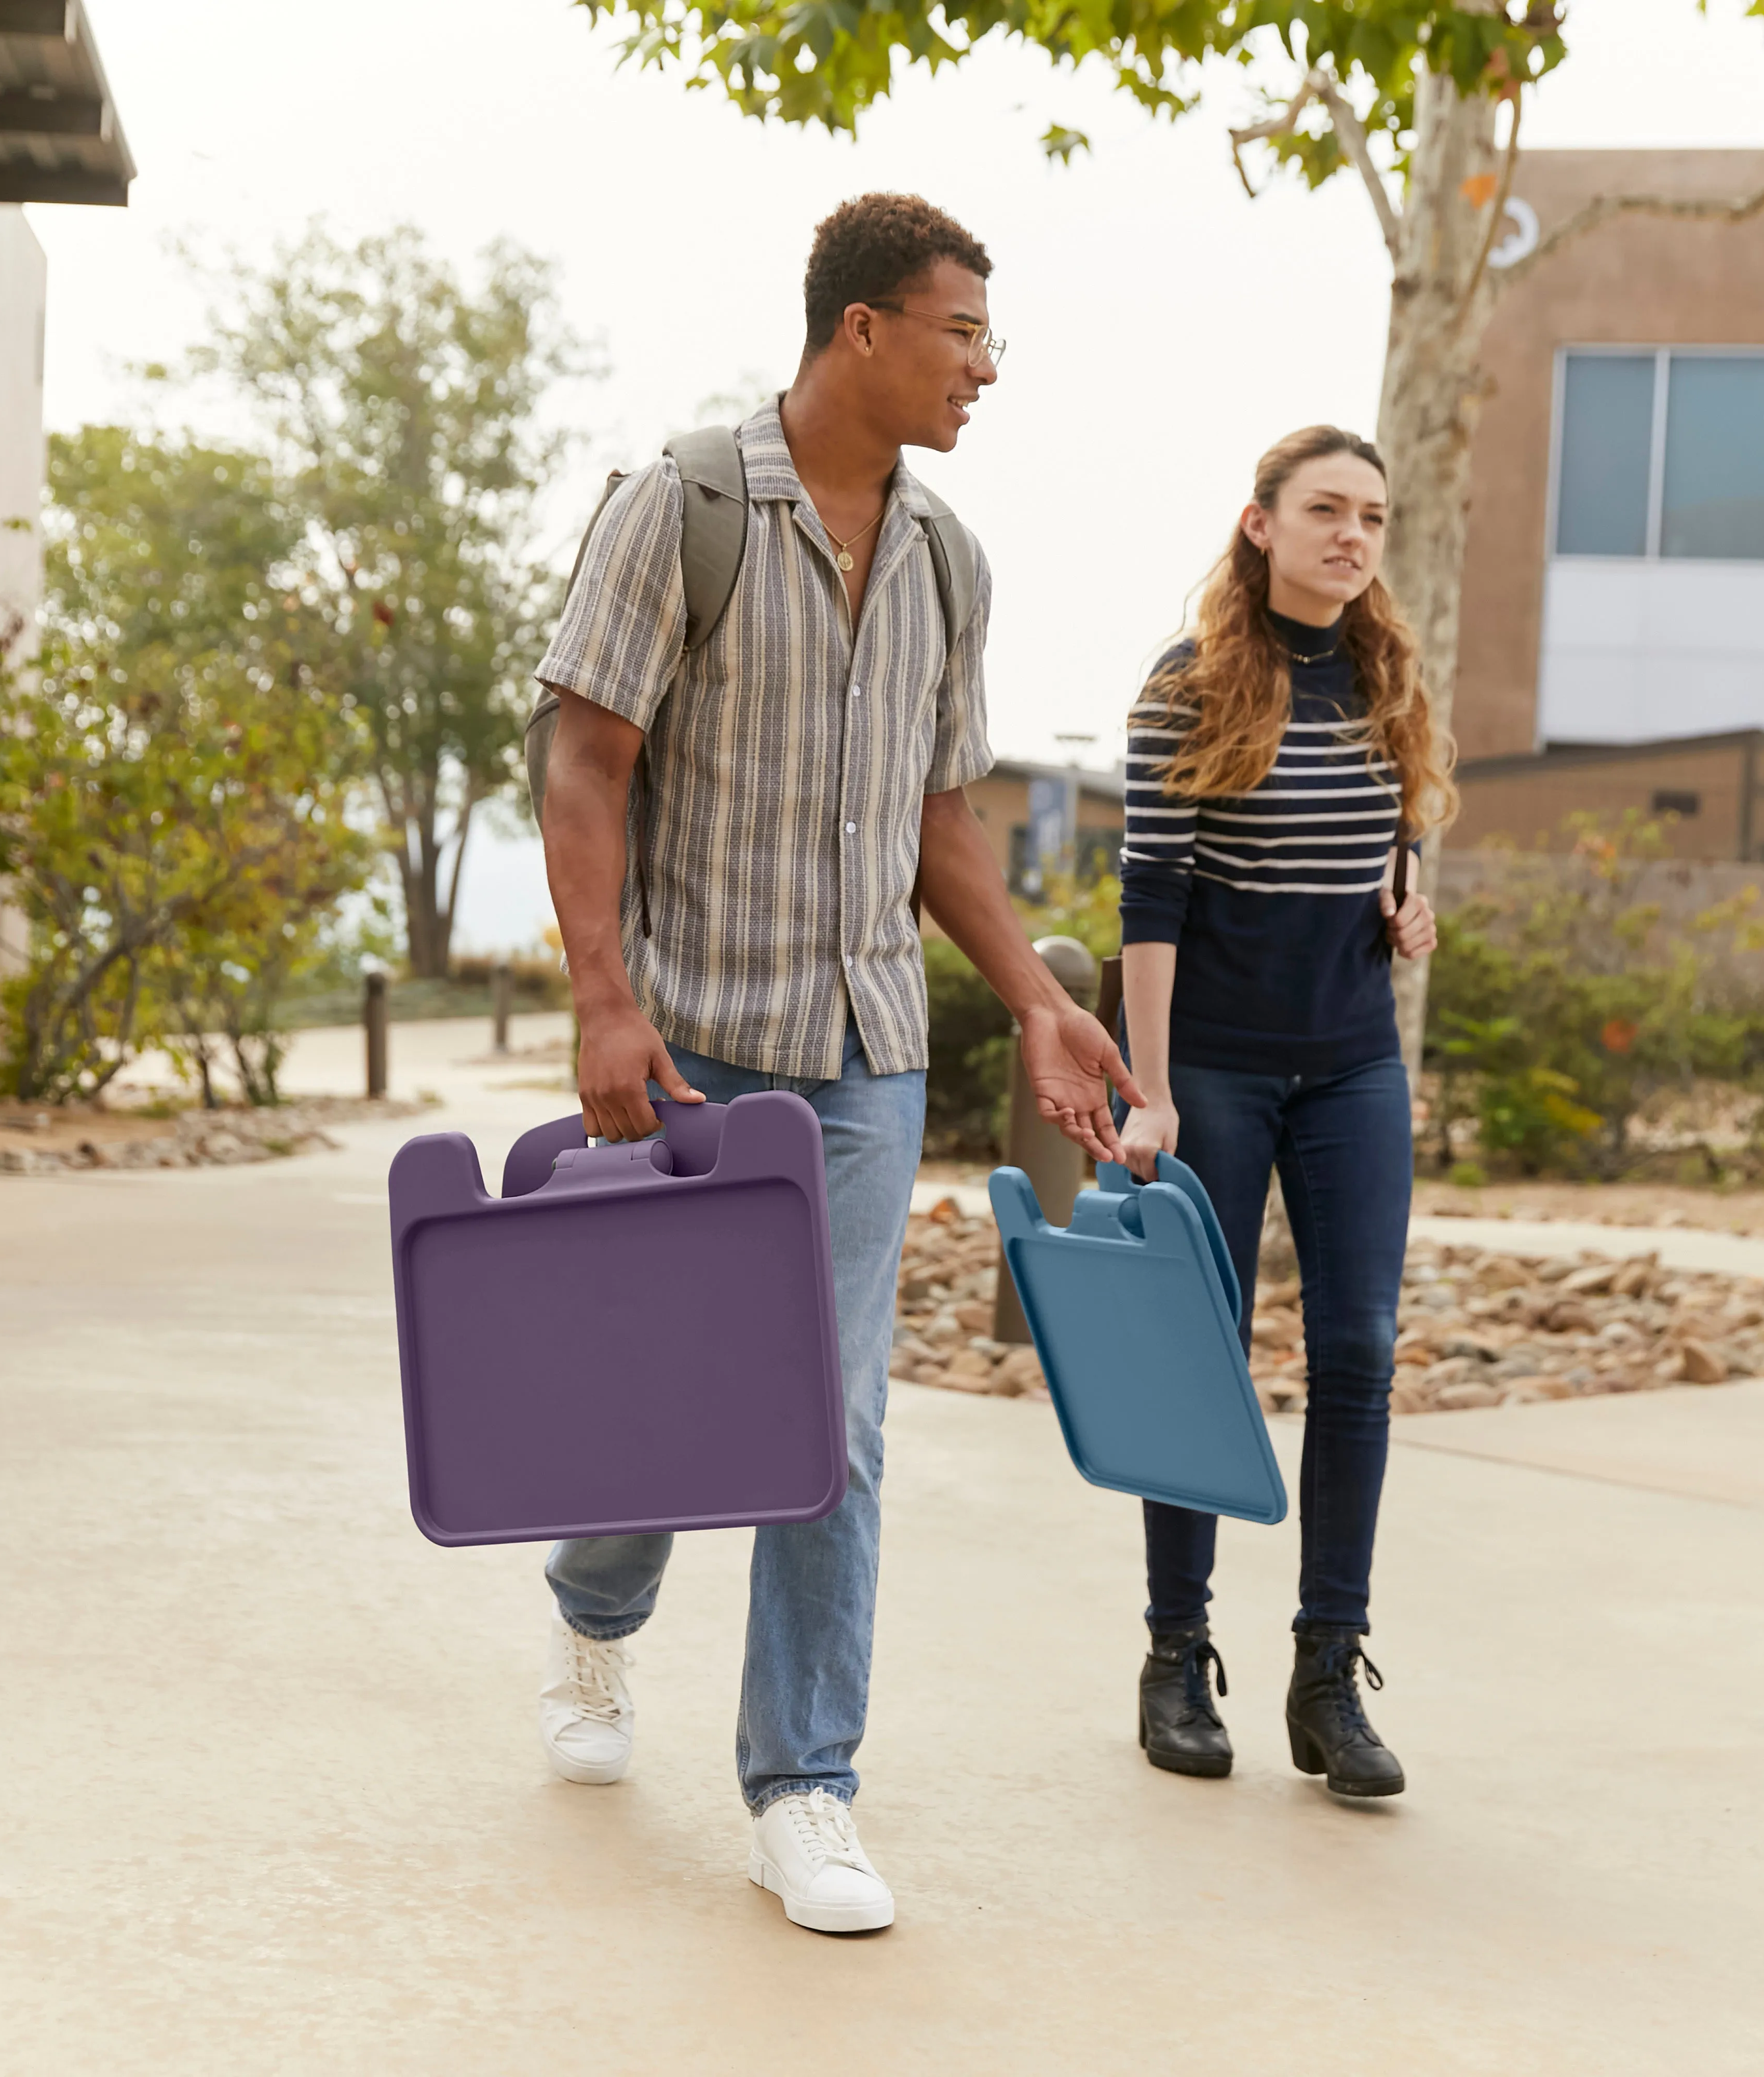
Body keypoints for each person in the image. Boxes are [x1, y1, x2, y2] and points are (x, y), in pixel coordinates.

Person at [532, 193, 1139, 1935]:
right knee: (667, 1406)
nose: (985, 371)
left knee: (832, 1421)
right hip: (695, 1038)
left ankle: (804, 1785)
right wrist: (602, 998)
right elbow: (587, 761)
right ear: (861, 328)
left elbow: (943, 822)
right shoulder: (687, 509)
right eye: (964, 334)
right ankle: (595, 1622)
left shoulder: (951, 556)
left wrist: (1028, 991)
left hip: (866, 1056)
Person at [1115, 424, 1455, 1796]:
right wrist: (1148, 1093)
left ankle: (1330, 1671)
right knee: (1200, 1356)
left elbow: (1395, 841)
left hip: (1355, 1063)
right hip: (1214, 1066)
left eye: (1371, 516)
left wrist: (1410, 901)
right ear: (1261, 524)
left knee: (1360, 1353)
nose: (1352, 535)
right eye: (1325, 509)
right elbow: (1152, 899)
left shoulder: (1387, 676)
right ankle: (1177, 1652)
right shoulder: (1186, 685)